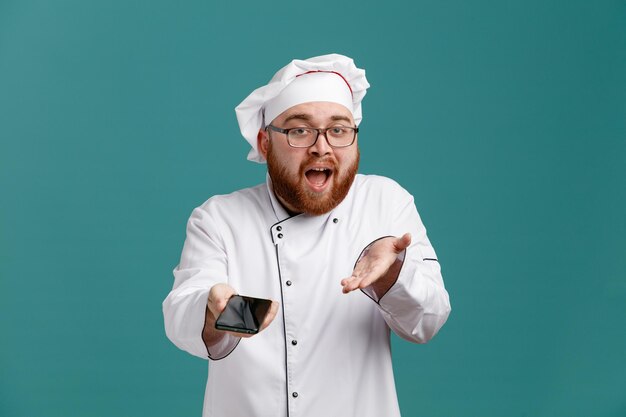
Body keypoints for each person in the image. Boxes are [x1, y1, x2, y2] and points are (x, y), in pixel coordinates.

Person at [163, 53, 451, 417]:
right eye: (300, 130)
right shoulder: (220, 218)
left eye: (339, 130)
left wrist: (393, 271)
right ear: (265, 142)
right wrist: (215, 309)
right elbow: (179, 313)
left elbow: (429, 320)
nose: (322, 146)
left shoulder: (385, 203)